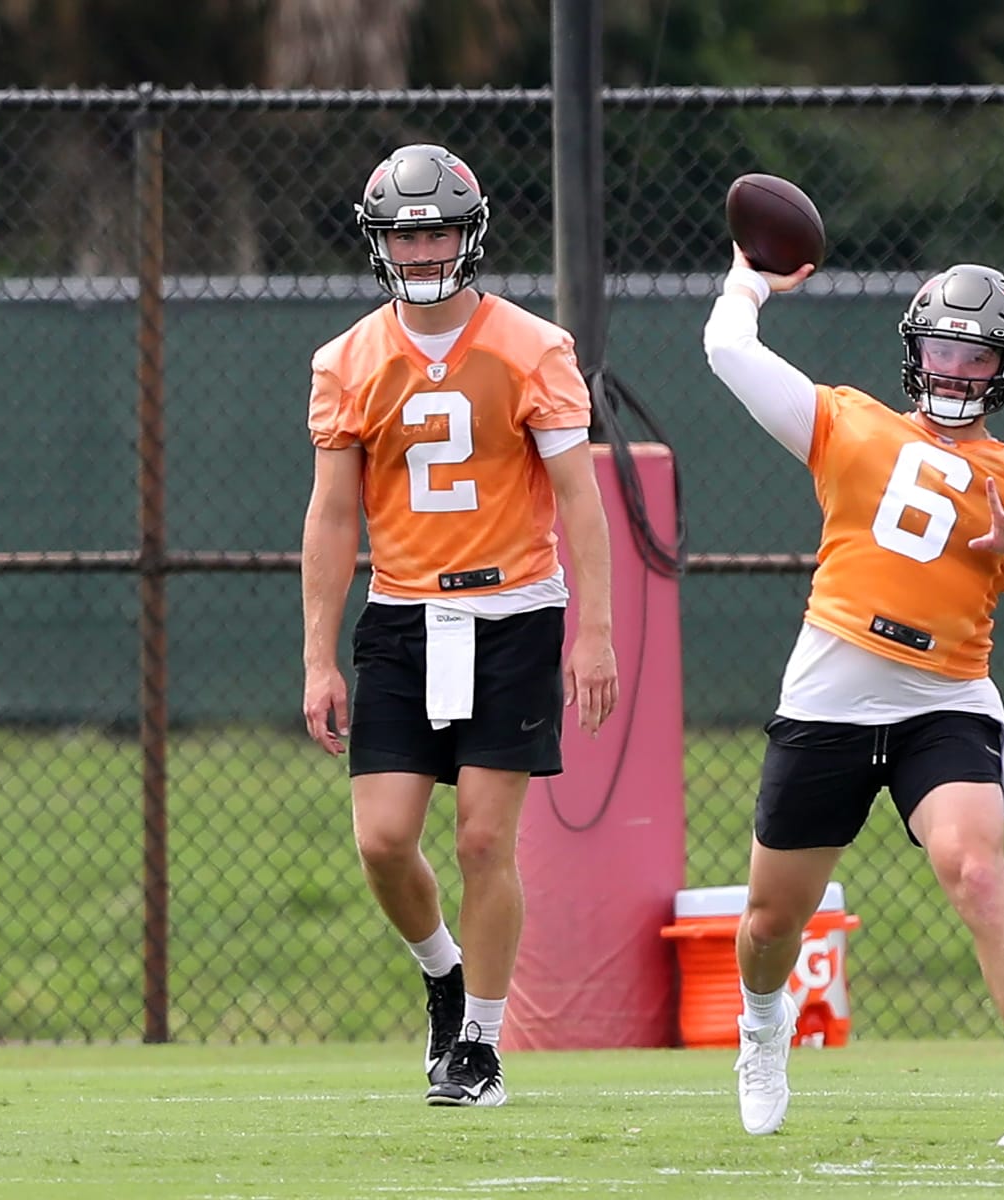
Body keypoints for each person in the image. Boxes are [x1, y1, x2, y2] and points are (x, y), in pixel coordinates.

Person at [702, 246, 1004, 1145]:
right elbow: (729, 350)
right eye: (943, 349)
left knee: (976, 872)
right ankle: (764, 1027)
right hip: (829, 700)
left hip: (944, 701)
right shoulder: (849, 424)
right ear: (914, 351)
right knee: (770, 922)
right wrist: (750, 278)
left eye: (977, 356)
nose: (956, 370)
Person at [301, 143, 618, 1108]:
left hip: (513, 611)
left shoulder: (533, 347)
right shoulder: (347, 360)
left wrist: (594, 631)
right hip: (404, 614)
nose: (422, 250)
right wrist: (318, 656)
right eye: (405, 235)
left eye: (437, 231)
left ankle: (480, 1043)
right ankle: (443, 972)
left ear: (470, 234)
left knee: (484, 840)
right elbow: (332, 516)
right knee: (383, 840)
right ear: (378, 243)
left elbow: (580, 497)